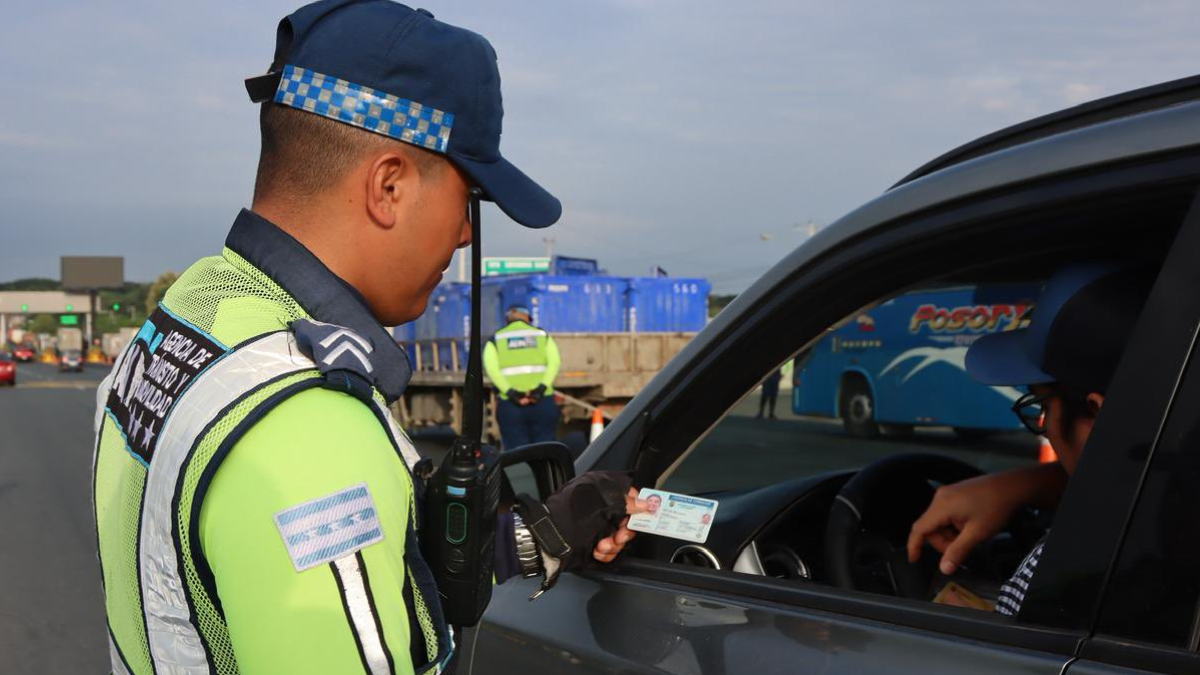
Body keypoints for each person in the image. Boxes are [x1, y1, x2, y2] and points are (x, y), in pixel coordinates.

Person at [91, 4, 646, 674]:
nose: (466, 234)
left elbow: (248, 569)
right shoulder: (309, 421)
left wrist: (529, 541)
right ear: (388, 186)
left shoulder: (189, 317)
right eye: (468, 198)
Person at [906, 263, 1154, 615]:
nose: (1044, 423)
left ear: (1100, 416)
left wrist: (976, 627)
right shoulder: (1168, 506)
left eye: (1042, 403)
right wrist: (1025, 486)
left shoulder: (1073, 559)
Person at [483, 305, 562, 449]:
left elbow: (492, 369)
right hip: (542, 402)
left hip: (511, 405)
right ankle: (544, 472)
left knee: (516, 452)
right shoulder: (542, 336)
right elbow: (555, 362)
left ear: (507, 320)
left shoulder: (496, 339)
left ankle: (522, 473)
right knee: (545, 449)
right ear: (528, 319)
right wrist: (540, 389)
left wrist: (512, 393)